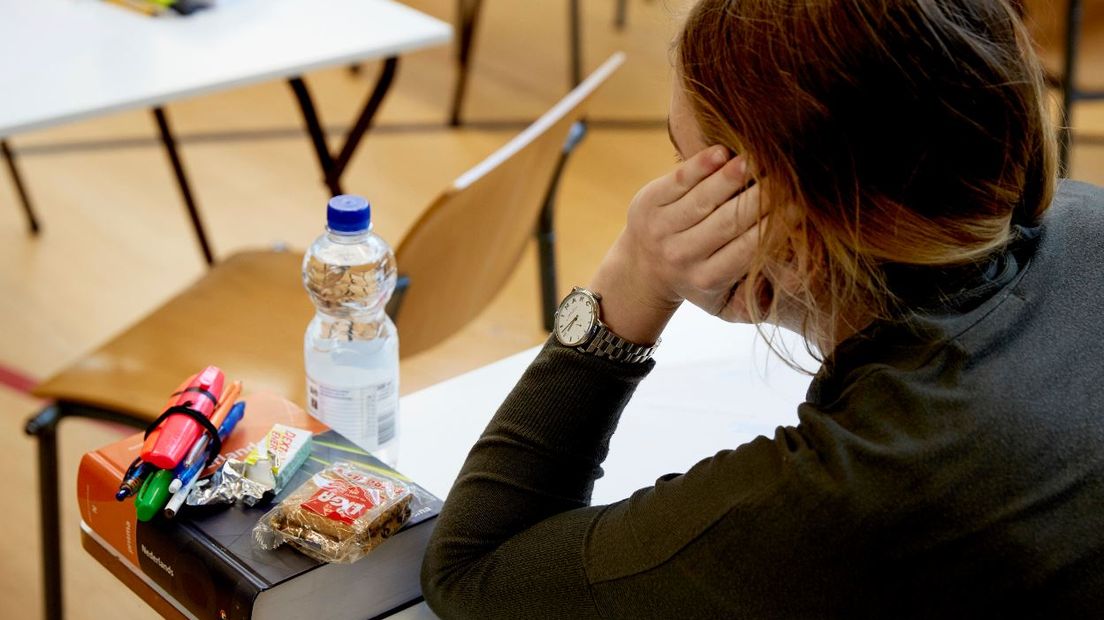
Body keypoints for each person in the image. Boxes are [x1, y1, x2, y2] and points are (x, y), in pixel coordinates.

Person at [421, 0, 1104, 617]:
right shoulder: (1086, 217)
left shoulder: (865, 481)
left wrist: (634, 272)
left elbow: (474, 569)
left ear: (792, 228)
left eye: (690, 166)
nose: (670, 194)